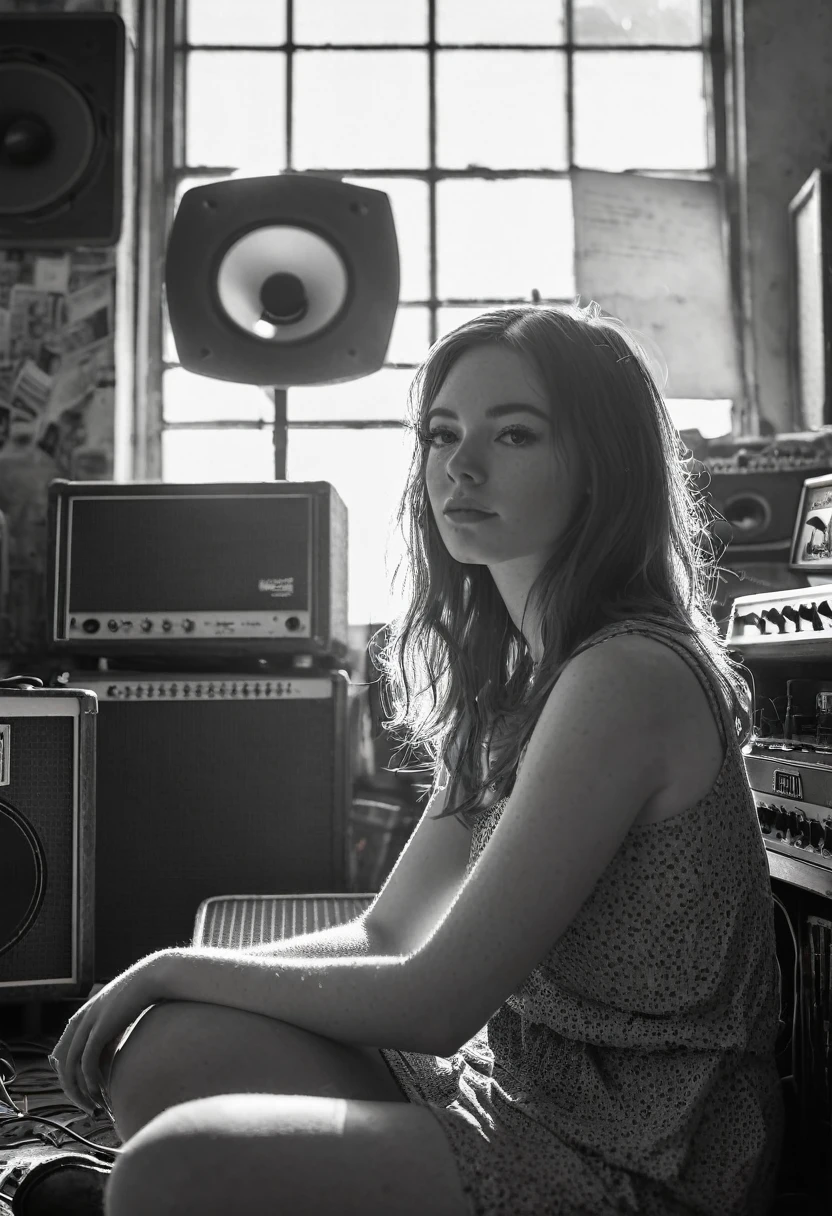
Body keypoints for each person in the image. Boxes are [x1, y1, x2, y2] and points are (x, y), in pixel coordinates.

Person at [62, 302, 783, 1216]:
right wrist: (184, 981)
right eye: (443, 434)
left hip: (639, 1151)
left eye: (514, 435)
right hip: (515, 1082)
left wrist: (168, 965)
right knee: (167, 1050)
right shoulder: (519, 679)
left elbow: (436, 1002)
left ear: (604, 467)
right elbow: (388, 933)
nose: (461, 467)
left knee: (171, 1167)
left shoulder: (626, 676)